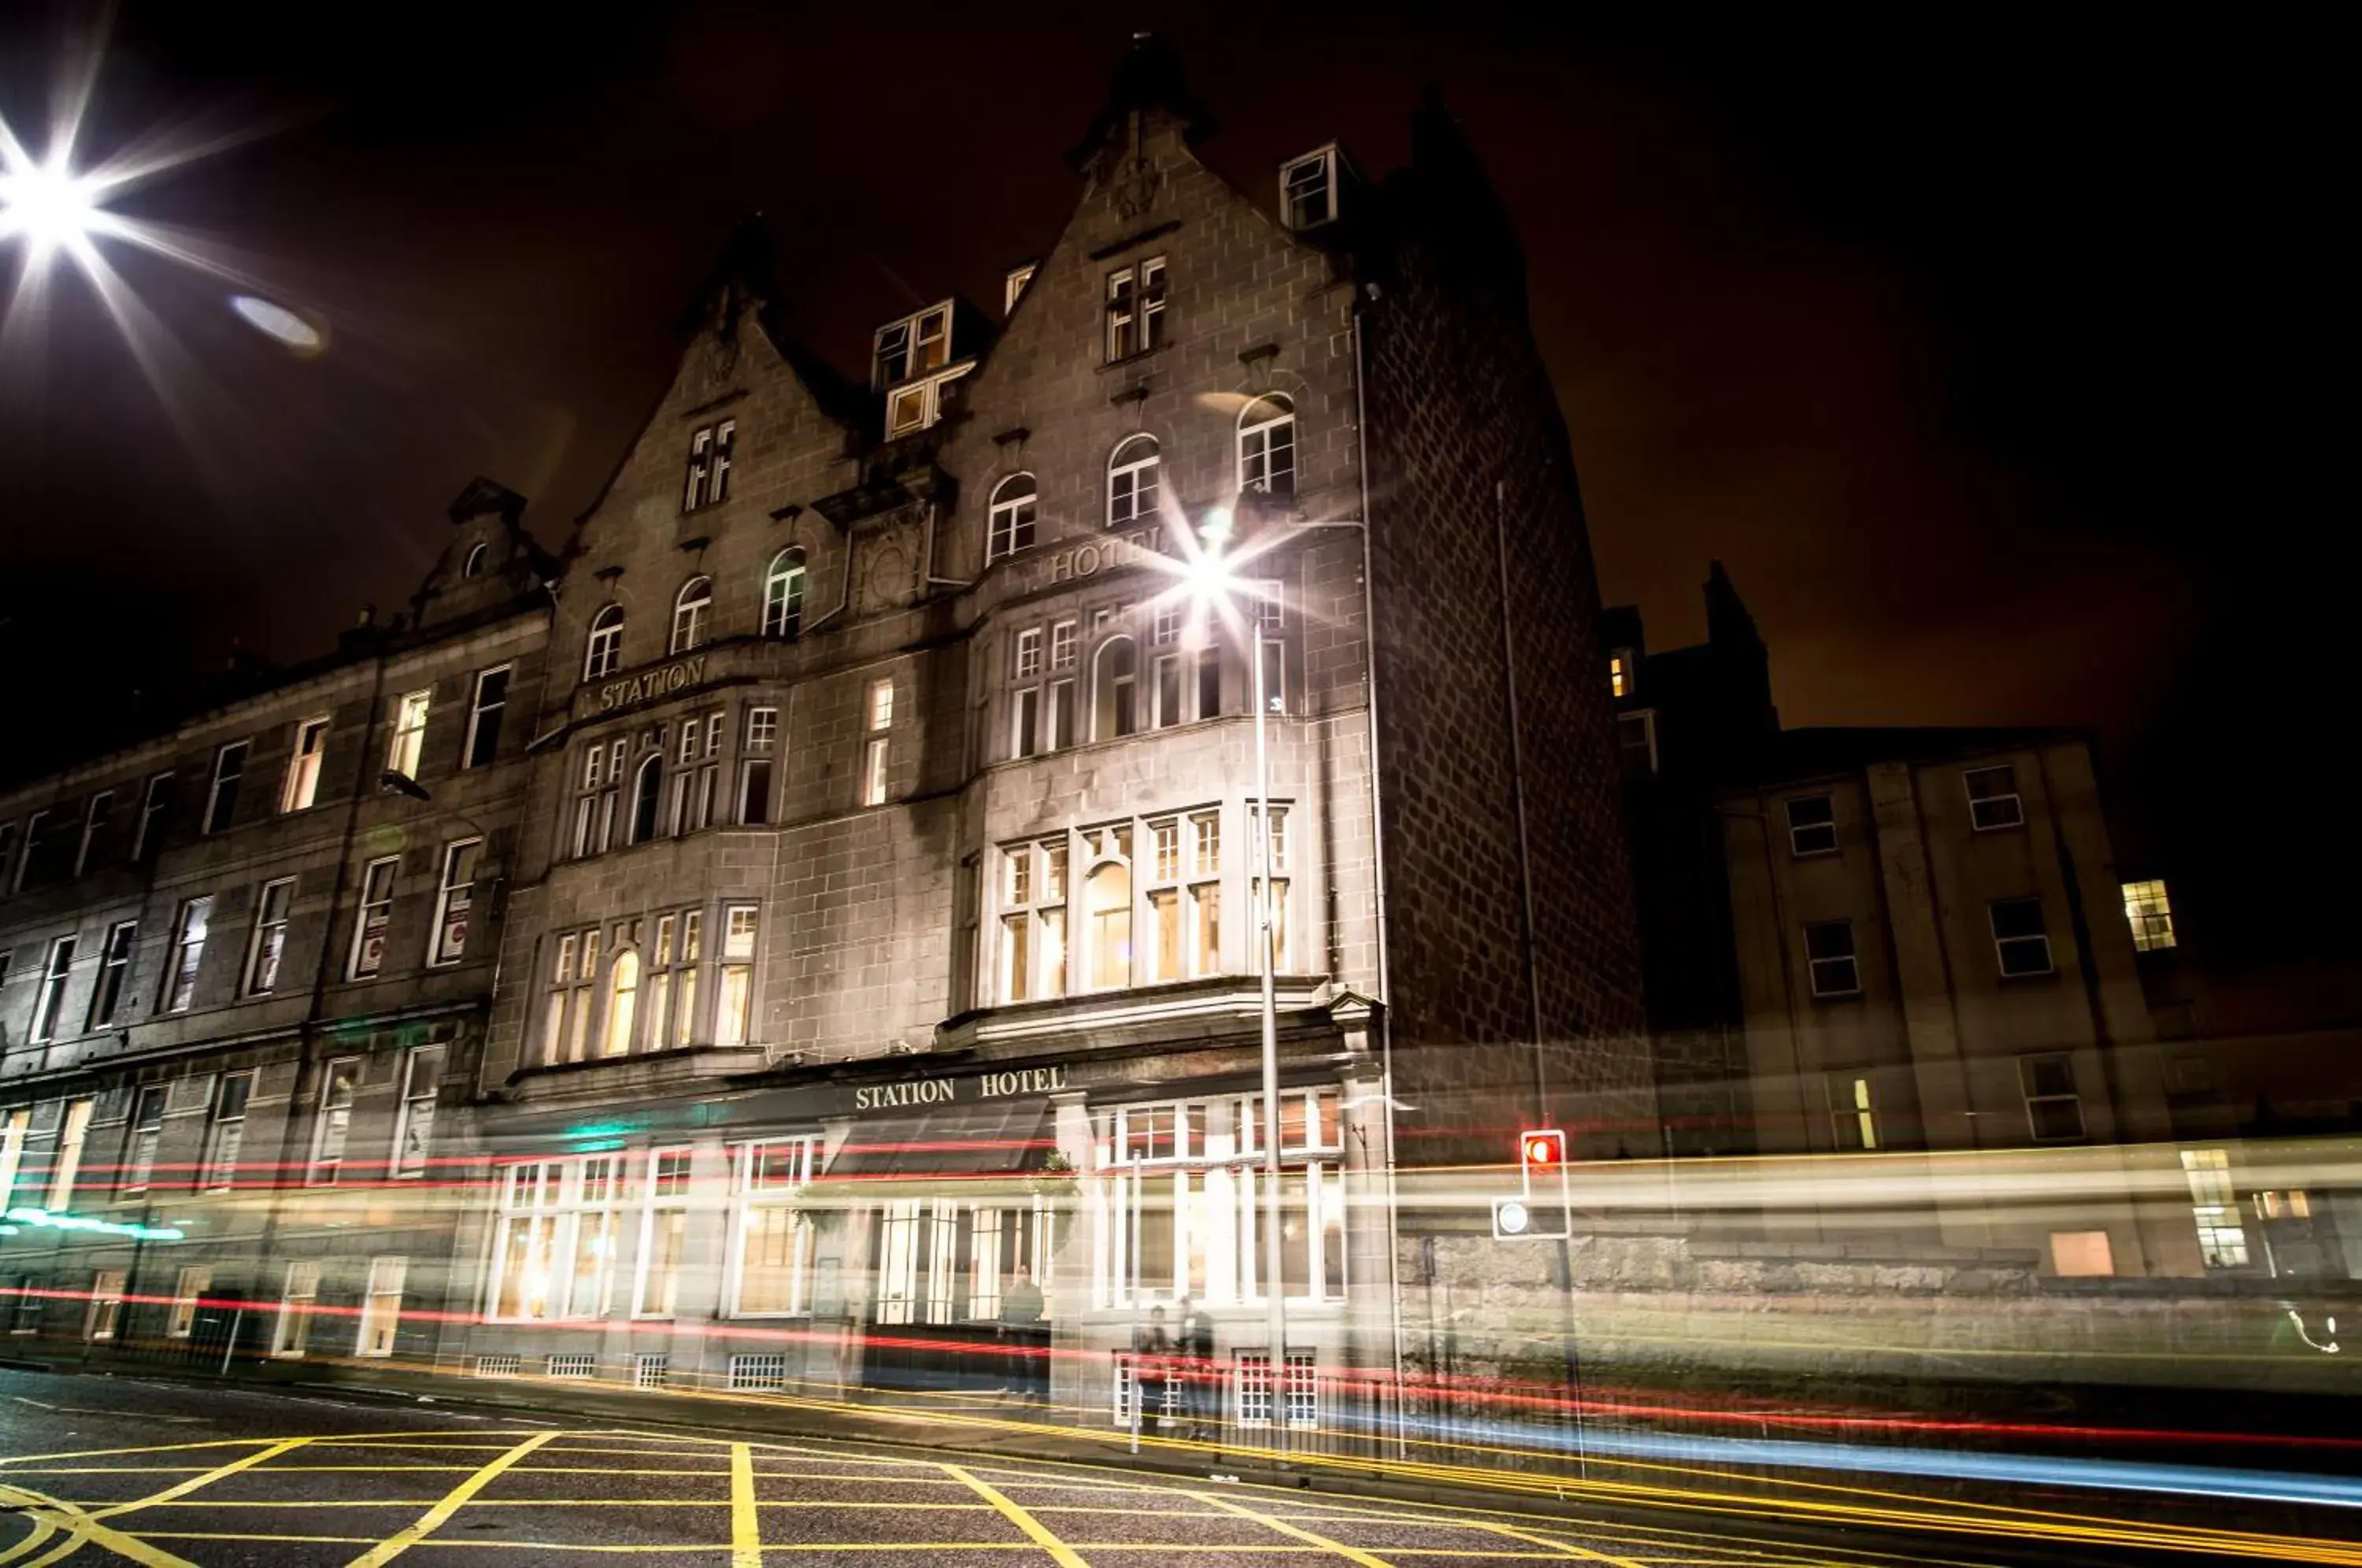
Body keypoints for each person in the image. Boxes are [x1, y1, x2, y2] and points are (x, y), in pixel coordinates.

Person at [1000, 1263, 1046, 1403]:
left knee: (1029, 1358)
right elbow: (1004, 1308)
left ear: (1029, 1275)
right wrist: (1002, 1325)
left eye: (1024, 1272)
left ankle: (1031, 1386)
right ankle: (1011, 1385)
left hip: (1026, 1328)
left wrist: (1029, 1318)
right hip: (1012, 1328)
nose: (1022, 1276)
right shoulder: (1012, 1290)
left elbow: (1039, 1307)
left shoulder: (1035, 1291)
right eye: (1019, 1273)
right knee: (1012, 1359)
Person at [1176, 1295, 1217, 1438]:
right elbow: (1183, 1343)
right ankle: (1194, 1429)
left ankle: (1206, 1430)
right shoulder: (1184, 1322)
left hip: (1199, 1364)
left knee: (1202, 1398)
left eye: (1184, 1307)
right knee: (1190, 1399)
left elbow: (1208, 1343)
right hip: (1187, 1365)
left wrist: (1207, 1363)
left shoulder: (1203, 1319)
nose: (1183, 1310)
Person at [1132, 1304, 1172, 1433]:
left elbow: (1164, 1352)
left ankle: (1152, 1430)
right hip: (1148, 1373)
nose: (1158, 1320)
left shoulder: (1163, 1333)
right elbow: (1142, 1350)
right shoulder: (1146, 1332)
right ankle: (1147, 1430)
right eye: (1156, 1317)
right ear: (1152, 1318)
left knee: (1157, 1402)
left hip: (1159, 1373)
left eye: (1161, 1317)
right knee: (1149, 1402)